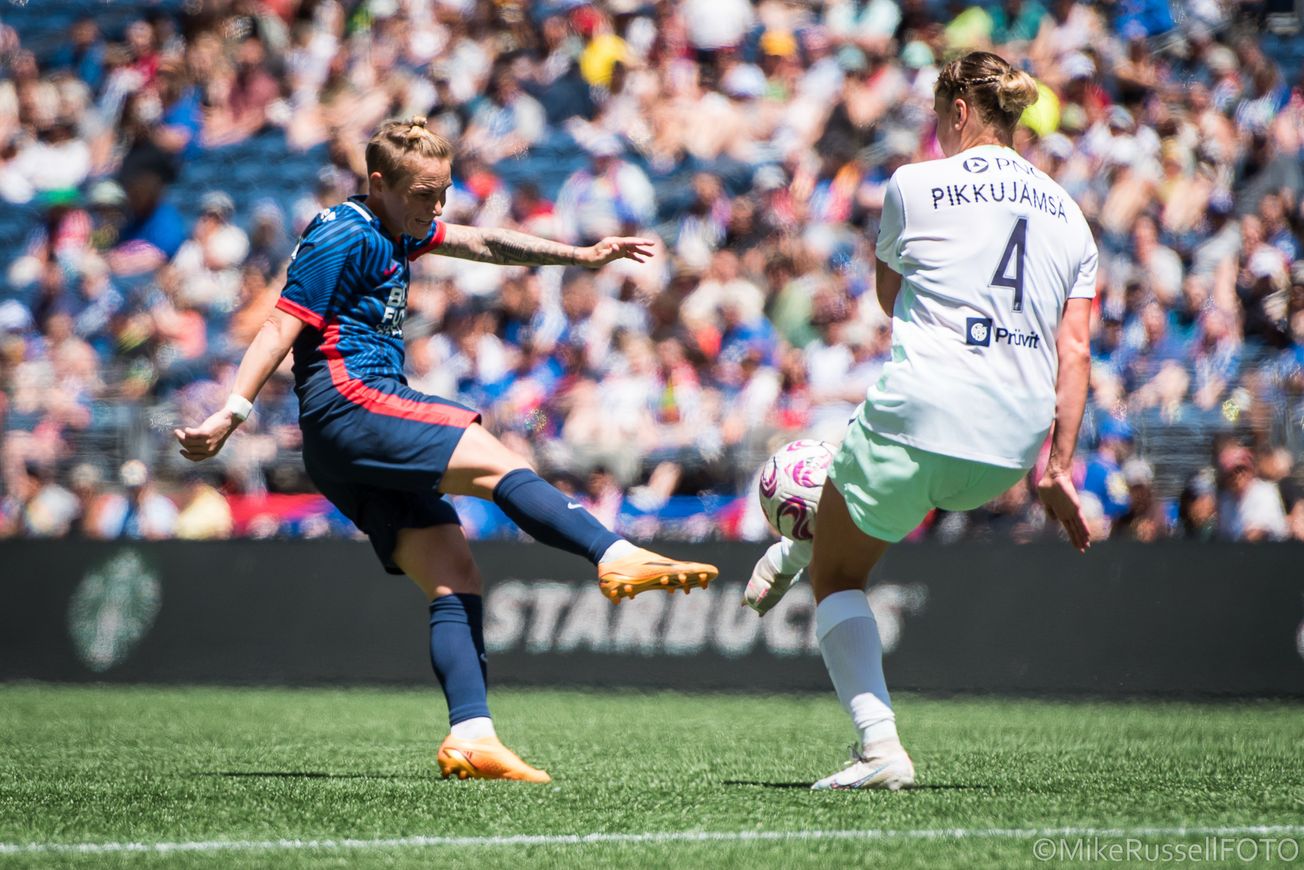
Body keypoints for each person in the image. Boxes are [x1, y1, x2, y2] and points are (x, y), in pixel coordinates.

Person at [173, 117, 717, 784]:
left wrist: (580, 257)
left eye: (444, 192)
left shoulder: (400, 224)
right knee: (494, 455)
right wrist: (233, 408)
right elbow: (280, 326)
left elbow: (483, 240)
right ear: (380, 184)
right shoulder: (341, 230)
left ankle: (471, 733)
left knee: (454, 571)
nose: (438, 209)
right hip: (352, 403)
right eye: (425, 194)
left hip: (348, 437)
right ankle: (612, 554)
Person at [743, 52, 1097, 790]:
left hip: (925, 409)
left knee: (842, 574)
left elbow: (889, 297)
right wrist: (1057, 468)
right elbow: (1075, 350)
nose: (936, 130)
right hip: (1012, 443)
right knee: (890, 493)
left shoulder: (913, 184)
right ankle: (802, 546)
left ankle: (879, 747)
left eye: (939, 117)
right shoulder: (1070, 214)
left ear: (960, 112)